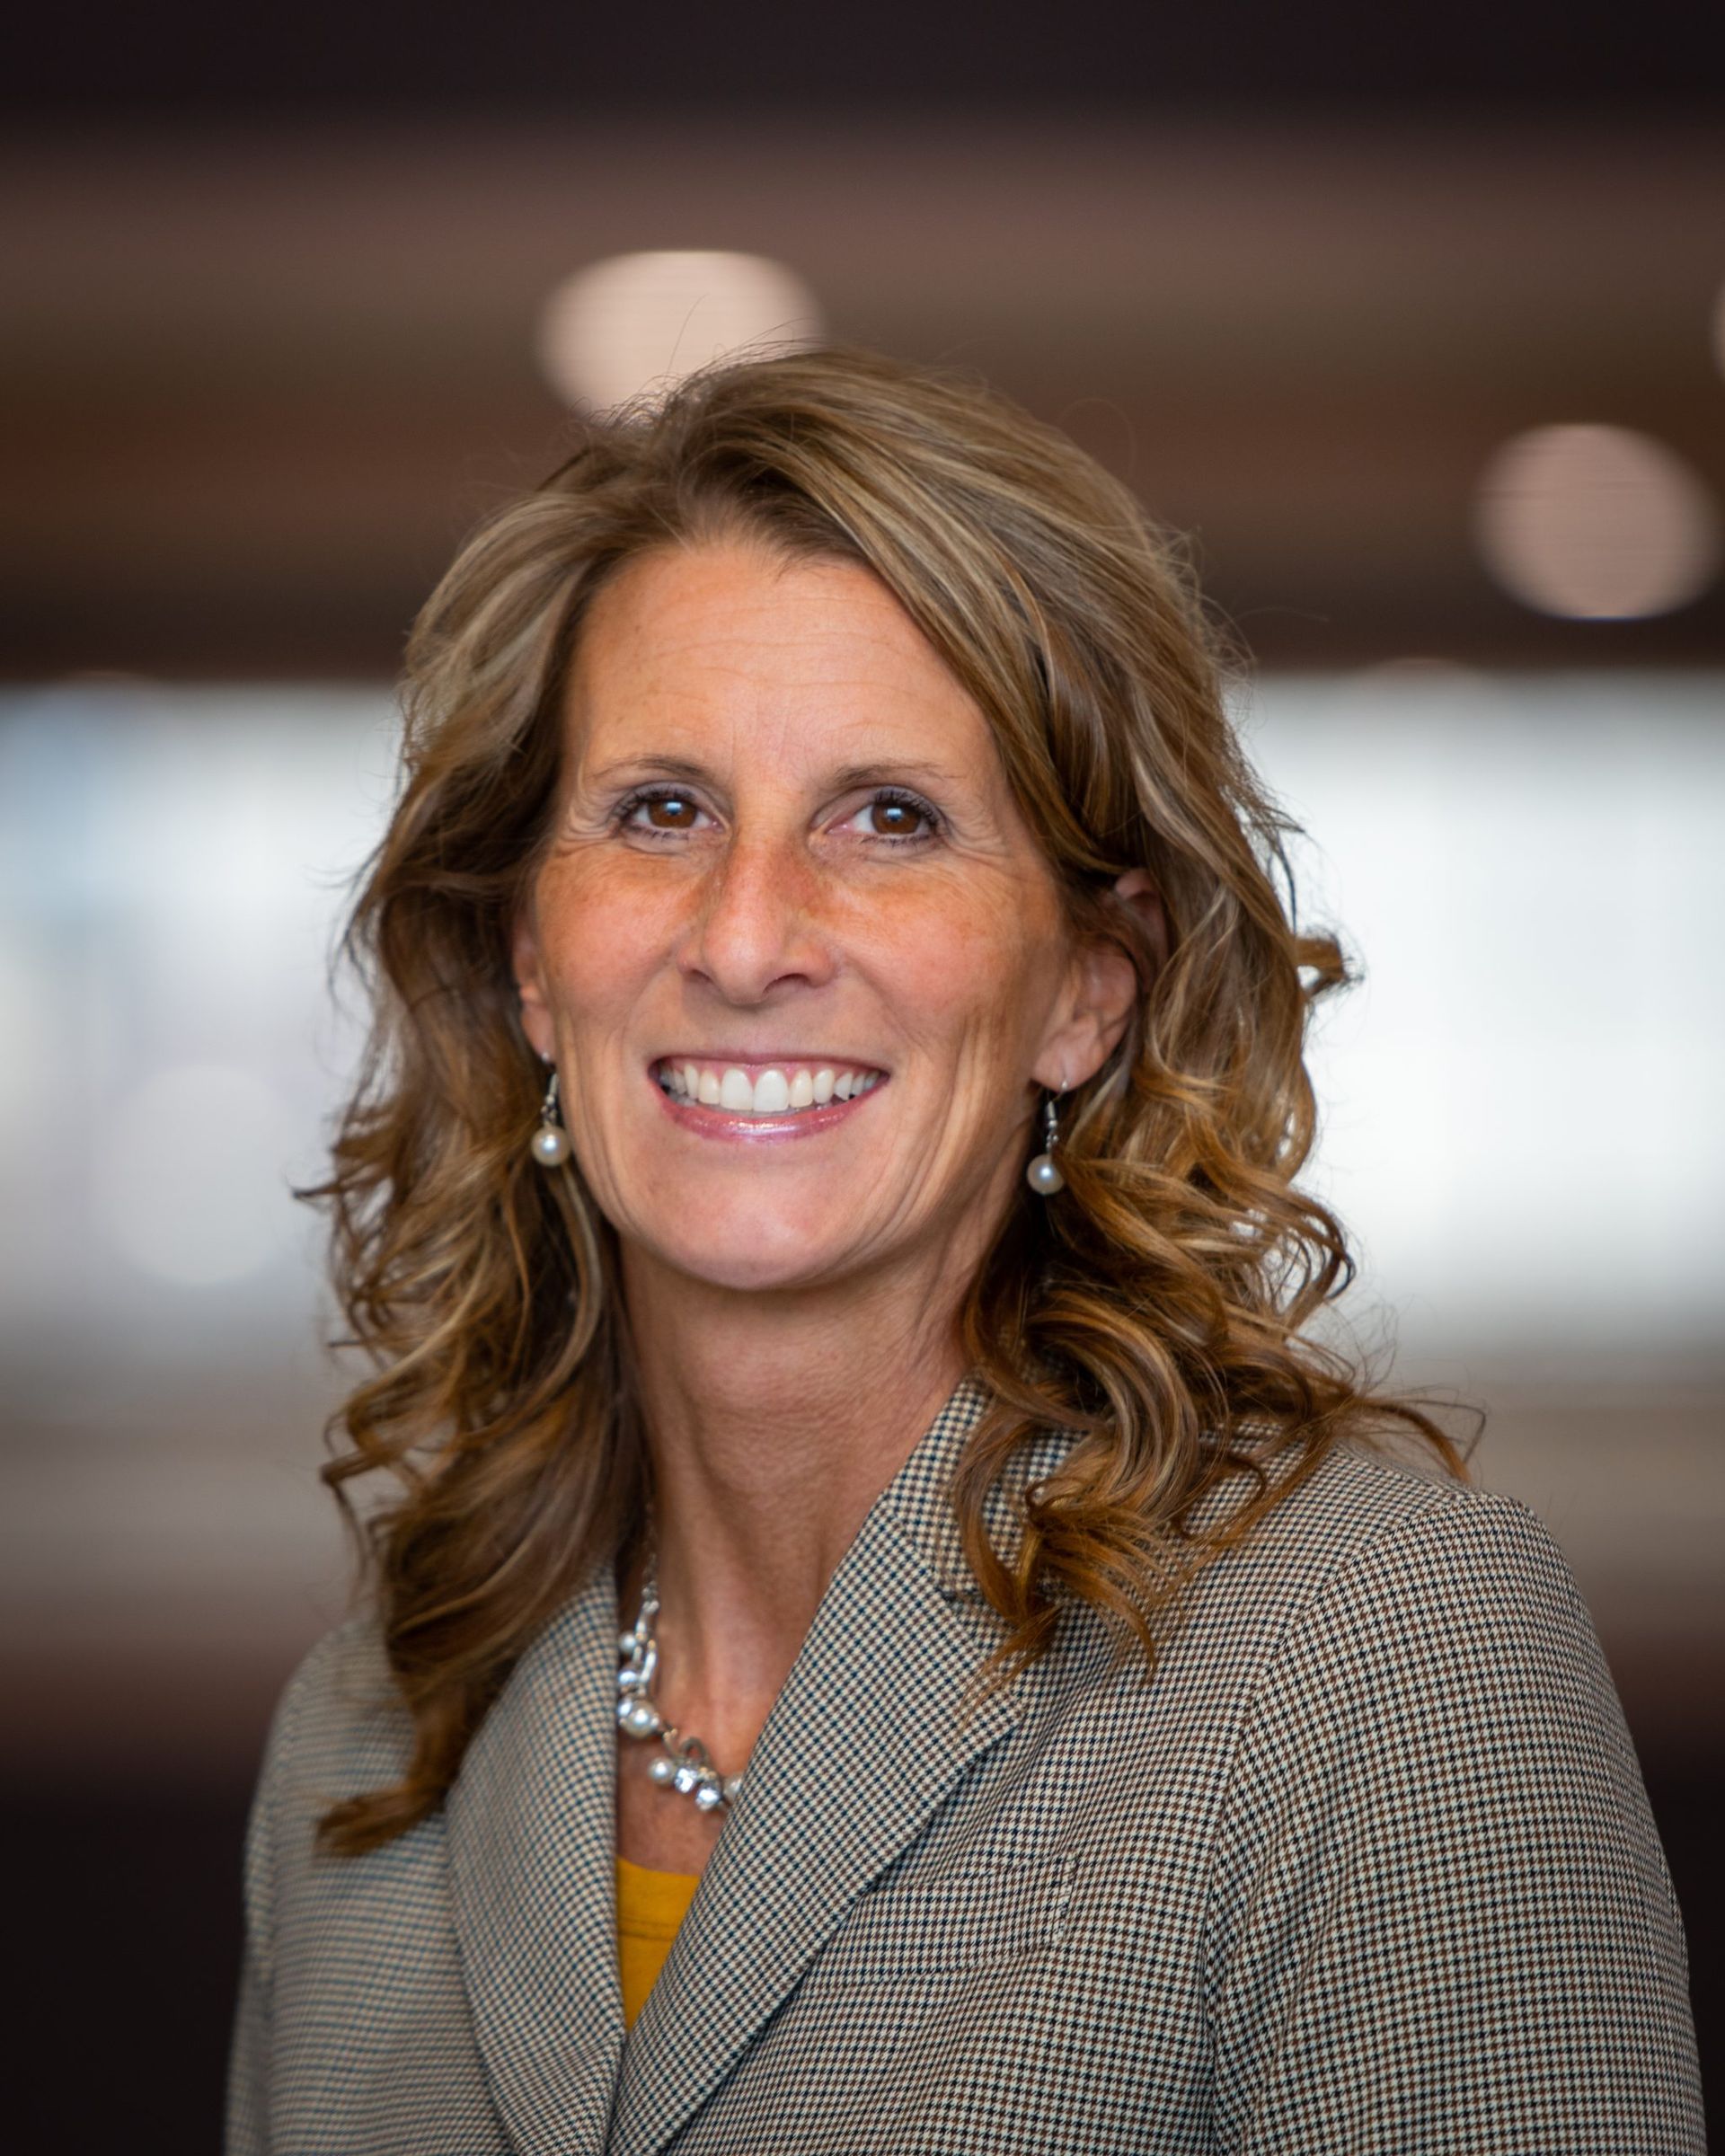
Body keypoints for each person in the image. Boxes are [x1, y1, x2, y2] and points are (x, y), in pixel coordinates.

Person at [226, 346, 1702, 2153]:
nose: (749, 934)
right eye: (662, 810)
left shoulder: (1381, 1662)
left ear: (1091, 986)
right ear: (536, 960)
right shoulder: (373, 1727)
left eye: (892, 819)